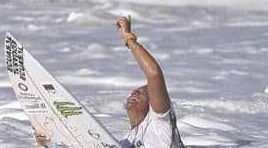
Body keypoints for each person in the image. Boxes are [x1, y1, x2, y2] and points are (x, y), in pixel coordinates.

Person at [34, 16, 185, 147]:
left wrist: (128, 38)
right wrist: (50, 141)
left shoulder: (159, 124)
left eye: (143, 92)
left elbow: (154, 74)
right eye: (135, 90)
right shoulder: (121, 141)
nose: (134, 92)